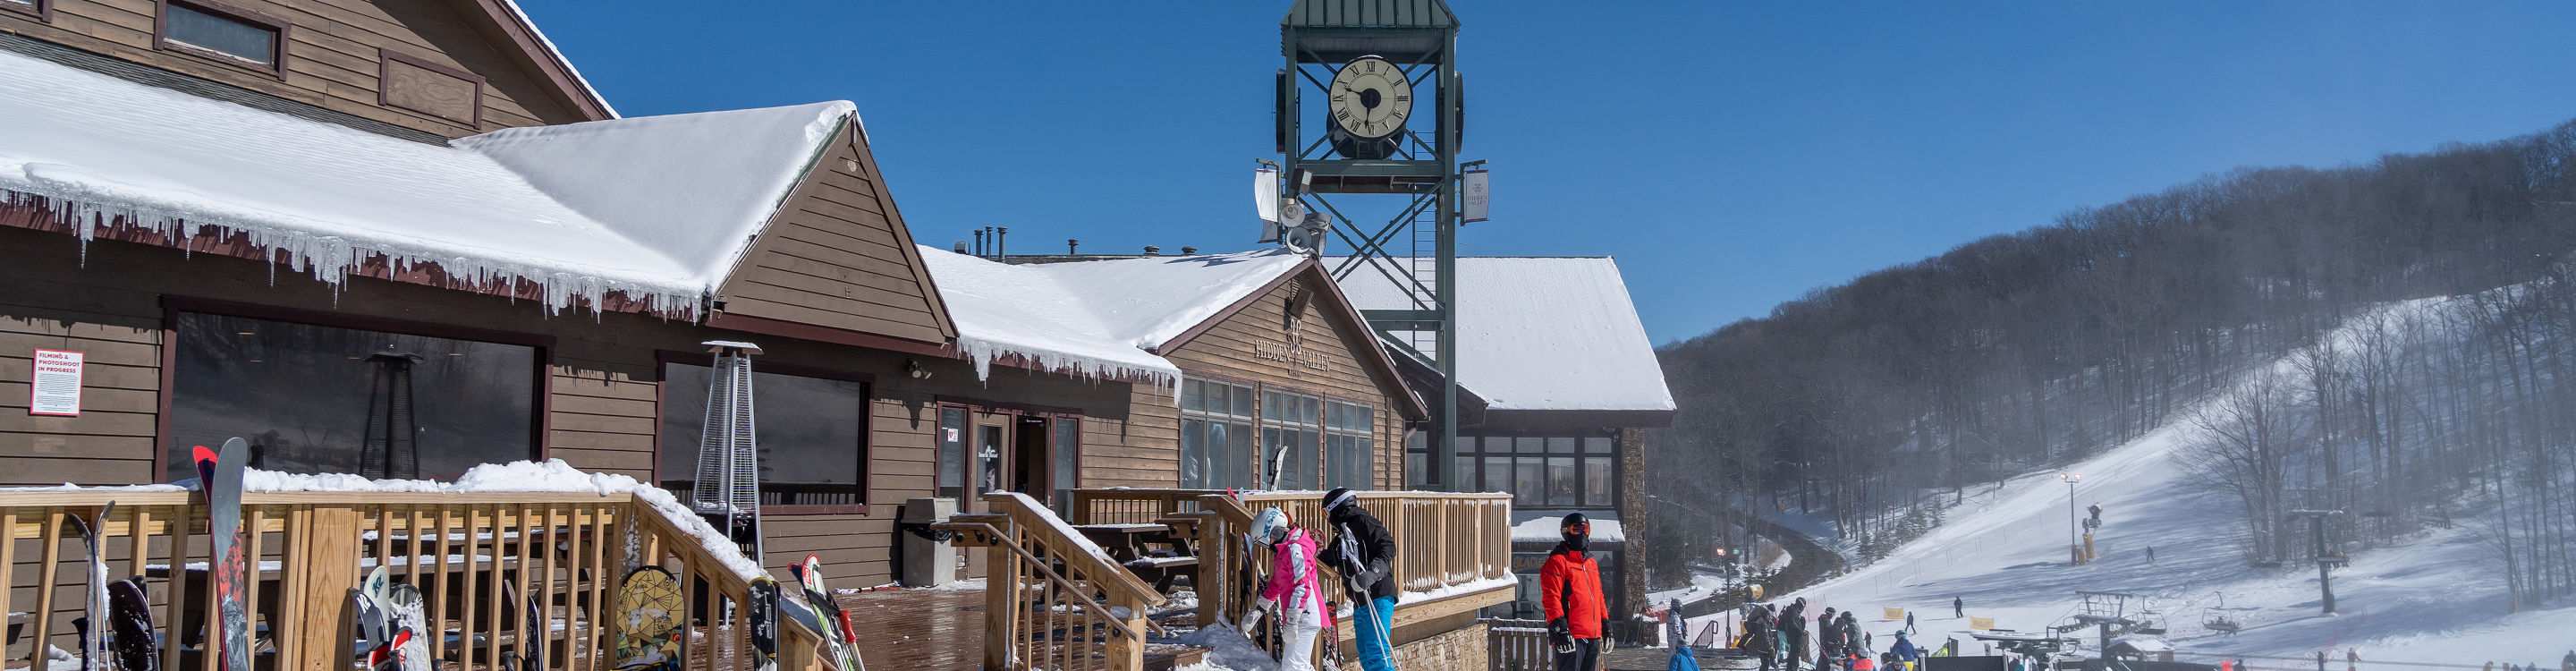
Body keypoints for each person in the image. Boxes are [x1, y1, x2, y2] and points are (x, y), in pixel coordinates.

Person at [1318, 488, 1398, 671]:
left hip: (1377, 595)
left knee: (1376, 653)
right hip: (1360, 603)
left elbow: (1388, 546)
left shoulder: (1363, 522)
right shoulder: (1339, 541)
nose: (1327, 520)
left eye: (1326, 514)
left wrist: (1372, 573)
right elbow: (1322, 562)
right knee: (1366, 656)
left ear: (1337, 508)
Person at [1250, 507, 1326, 671]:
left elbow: (1302, 585)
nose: (1268, 545)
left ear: (1276, 530)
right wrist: (1260, 608)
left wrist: (1293, 620)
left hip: (1304, 615)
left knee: (1293, 666)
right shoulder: (1285, 551)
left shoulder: (1295, 549)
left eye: (1267, 540)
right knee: (1298, 665)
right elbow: (1277, 582)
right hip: (1301, 615)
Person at [1541, 513, 1610, 671]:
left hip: (1592, 635)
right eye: (1577, 529)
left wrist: (1605, 624)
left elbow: (1598, 597)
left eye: (1586, 529)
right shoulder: (1557, 562)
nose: (1583, 533)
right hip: (1571, 635)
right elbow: (1551, 597)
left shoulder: (1591, 563)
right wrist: (1559, 627)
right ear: (1566, 532)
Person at [1741, 604, 1776, 671]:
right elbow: (1765, 638)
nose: (1770, 618)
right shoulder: (1763, 625)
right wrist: (1770, 648)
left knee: (1765, 664)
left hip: (1762, 647)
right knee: (1765, 664)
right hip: (1764, 648)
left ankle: (1743, 645)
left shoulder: (1764, 623)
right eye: (1769, 617)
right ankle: (1742, 645)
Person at [1779, 598, 1809, 671]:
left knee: (1794, 653)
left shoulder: (1795, 612)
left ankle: (1793, 667)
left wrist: (1802, 622)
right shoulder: (1792, 611)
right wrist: (1798, 631)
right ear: (1800, 605)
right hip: (1794, 637)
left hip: (1795, 636)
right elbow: (1792, 624)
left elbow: (1800, 627)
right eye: (1803, 607)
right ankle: (1792, 668)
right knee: (1794, 653)